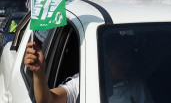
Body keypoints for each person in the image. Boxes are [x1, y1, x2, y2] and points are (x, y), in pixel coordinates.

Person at [24, 40, 153, 103]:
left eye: (129, 59)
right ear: (106, 57)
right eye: (121, 58)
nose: (127, 64)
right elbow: (47, 100)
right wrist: (39, 73)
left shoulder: (137, 86)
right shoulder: (83, 82)